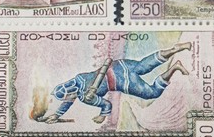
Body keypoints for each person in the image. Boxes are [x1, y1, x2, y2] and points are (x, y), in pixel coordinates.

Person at [34, 42, 192, 124]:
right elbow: (68, 101)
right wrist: (56, 115)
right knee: (143, 65)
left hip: (121, 82)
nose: (69, 100)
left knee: (151, 93)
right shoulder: (78, 78)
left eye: (68, 97)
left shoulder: (85, 97)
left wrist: (102, 116)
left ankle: (175, 68)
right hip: (118, 65)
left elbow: (106, 105)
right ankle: (175, 49)